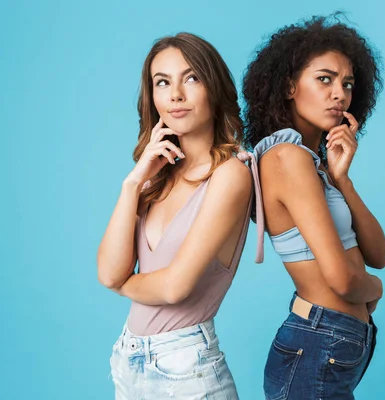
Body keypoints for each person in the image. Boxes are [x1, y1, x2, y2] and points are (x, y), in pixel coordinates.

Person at [97, 32, 262, 399]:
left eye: (191, 78)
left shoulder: (230, 174)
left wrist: (123, 284)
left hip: (186, 370)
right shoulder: (155, 178)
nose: (176, 95)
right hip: (129, 361)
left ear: (213, 87)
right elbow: (107, 269)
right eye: (162, 82)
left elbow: (175, 287)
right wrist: (133, 182)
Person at [243, 15, 385, 399]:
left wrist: (343, 180)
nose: (339, 93)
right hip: (318, 343)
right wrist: (376, 289)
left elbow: (378, 253)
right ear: (289, 86)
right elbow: (343, 279)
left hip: (333, 343)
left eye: (347, 83)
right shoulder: (287, 156)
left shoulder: (315, 165)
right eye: (324, 79)